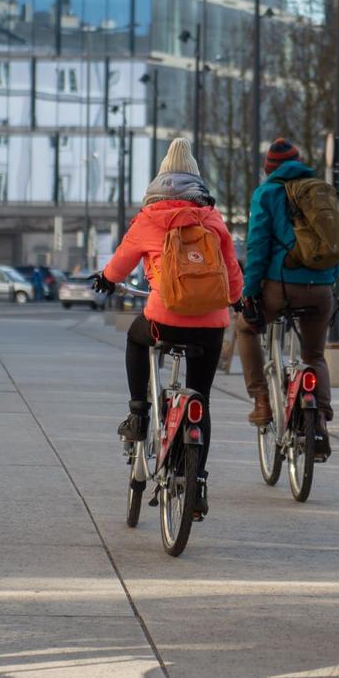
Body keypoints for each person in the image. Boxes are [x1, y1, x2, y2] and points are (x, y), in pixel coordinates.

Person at [91, 138, 242, 511]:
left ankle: (139, 413)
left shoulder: (148, 219)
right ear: (196, 179)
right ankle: (198, 484)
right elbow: (231, 270)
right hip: (211, 325)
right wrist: (238, 300)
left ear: (160, 178)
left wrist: (107, 279)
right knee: (201, 401)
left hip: (164, 320)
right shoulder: (212, 219)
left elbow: (121, 263)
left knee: (135, 338)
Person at [235, 138, 339, 456]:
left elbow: (258, 246)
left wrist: (249, 292)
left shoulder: (266, 193)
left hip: (280, 287)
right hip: (322, 288)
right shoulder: (322, 189)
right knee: (314, 355)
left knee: (245, 328)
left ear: (270, 169)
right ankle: (319, 419)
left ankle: (262, 400)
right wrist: (330, 283)